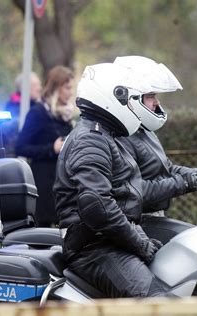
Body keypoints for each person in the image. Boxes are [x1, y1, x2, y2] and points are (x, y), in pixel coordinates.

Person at [53, 62, 170, 298]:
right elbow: (97, 206)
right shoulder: (91, 140)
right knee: (161, 304)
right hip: (96, 248)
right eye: (130, 99)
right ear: (113, 96)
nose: (134, 107)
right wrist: (140, 244)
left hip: (112, 239)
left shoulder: (105, 135)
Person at [114, 56, 197, 220]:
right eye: (150, 96)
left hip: (154, 216)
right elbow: (134, 190)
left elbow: (167, 169)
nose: (156, 102)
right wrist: (188, 182)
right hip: (135, 221)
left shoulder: (144, 131)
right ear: (131, 98)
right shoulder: (120, 137)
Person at [16, 66, 75, 227]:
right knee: (45, 235)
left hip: (64, 183)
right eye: (67, 87)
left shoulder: (65, 114)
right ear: (56, 87)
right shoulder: (38, 112)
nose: (71, 92)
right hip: (45, 184)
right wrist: (51, 149)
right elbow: (21, 147)